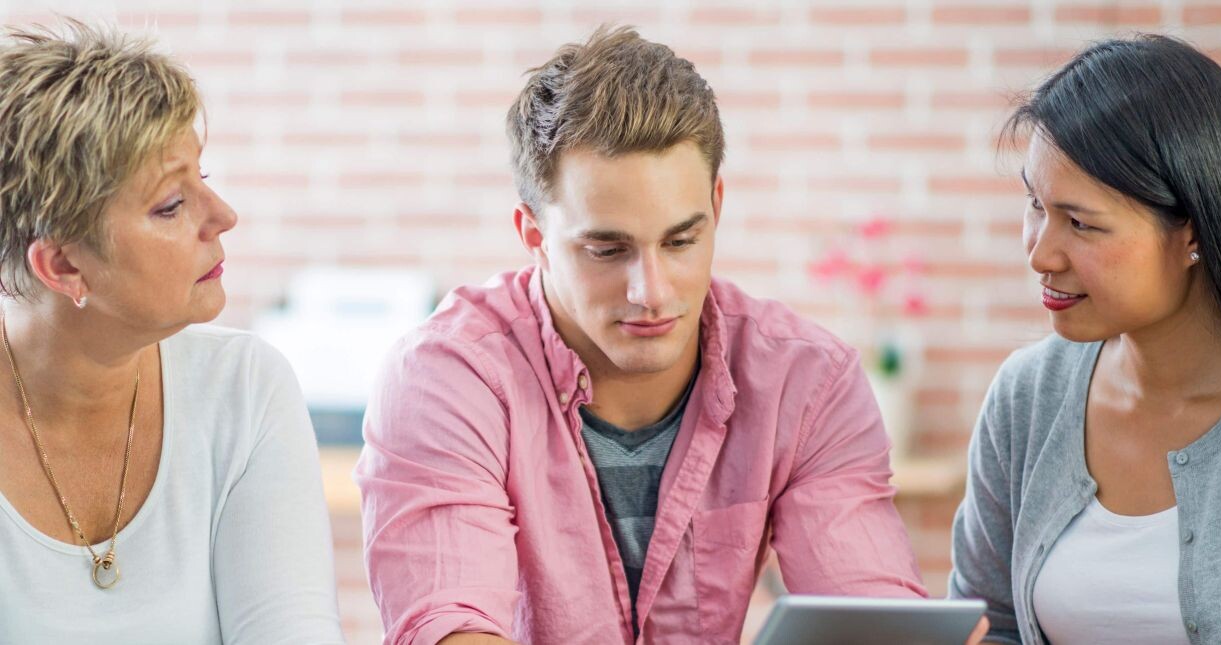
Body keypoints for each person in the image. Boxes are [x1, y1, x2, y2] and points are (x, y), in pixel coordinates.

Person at [357, 26, 985, 645]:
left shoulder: (806, 381)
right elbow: (450, 627)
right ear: (534, 238)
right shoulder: (447, 376)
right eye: (607, 249)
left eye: (681, 241)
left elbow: (868, 616)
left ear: (716, 204)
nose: (651, 292)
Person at [0, 21, 344, 643]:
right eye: (170, 205)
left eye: (202, 181)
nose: (224, 217)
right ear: (64, 266)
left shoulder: (244, 387)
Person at [949, 35, 1221, 644]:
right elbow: (985, 625)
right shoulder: (1027, 398)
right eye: (1035, 203)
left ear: (1193, 232)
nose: (1040, 253)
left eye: (1081, 223)